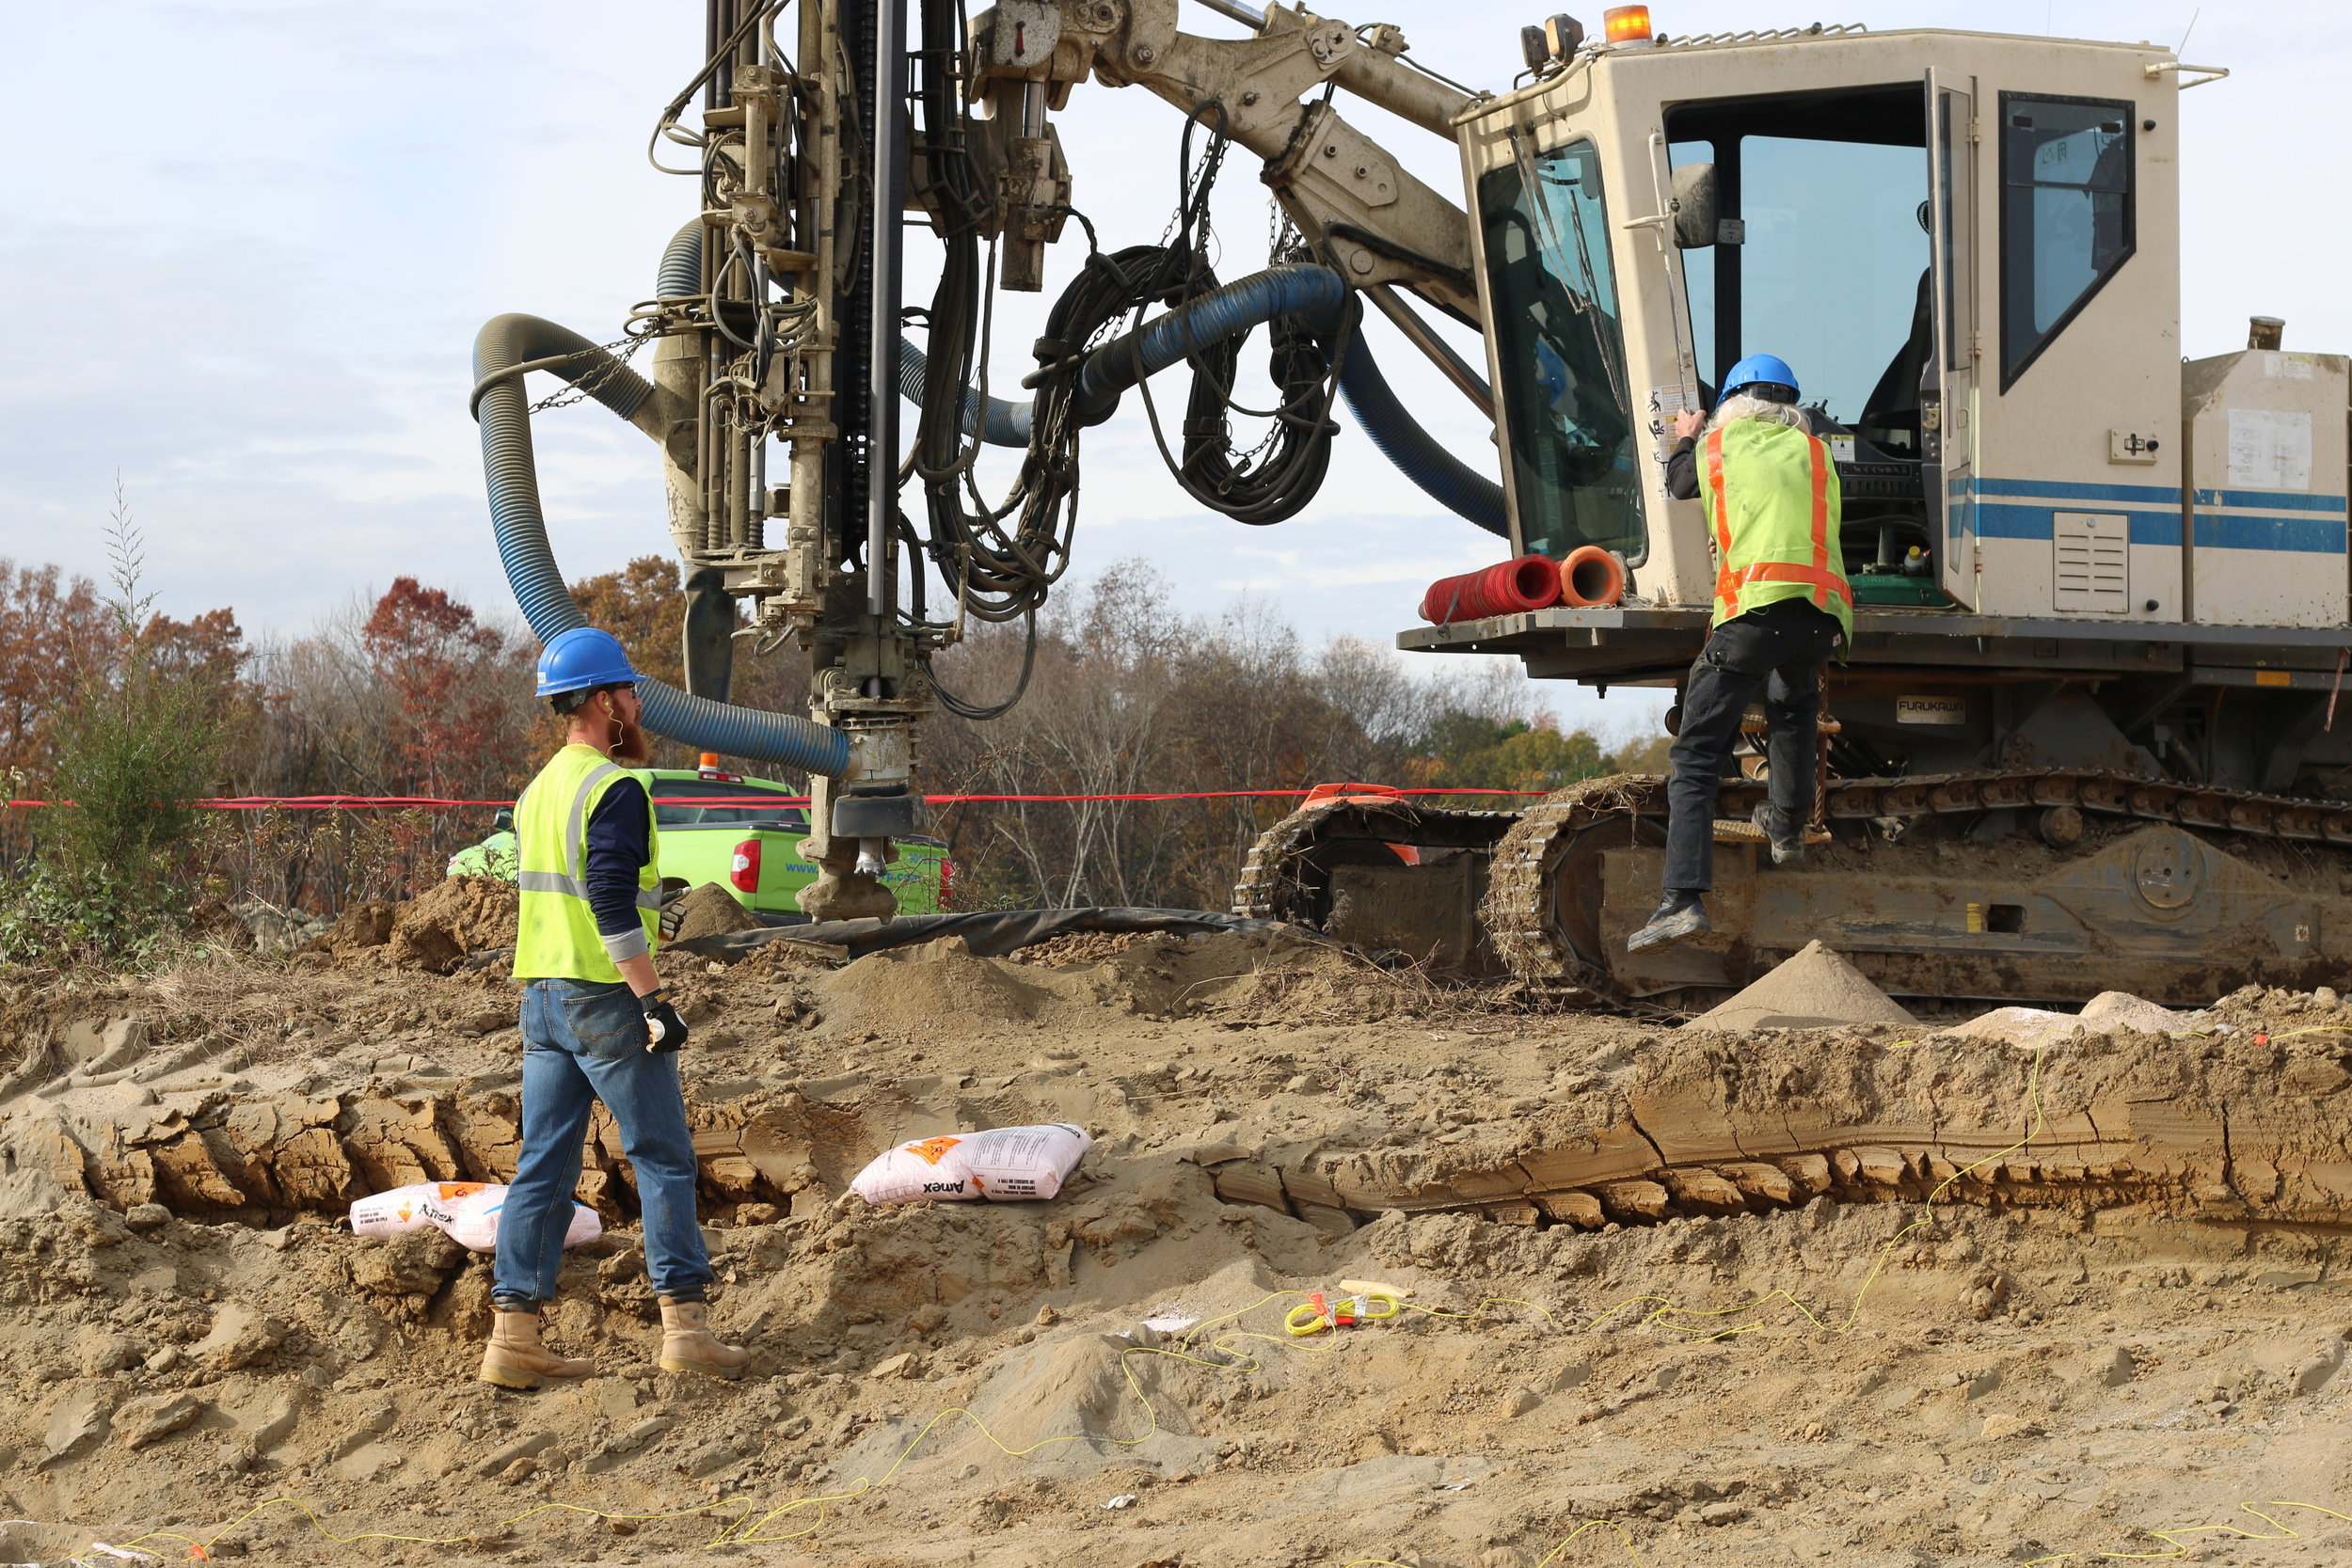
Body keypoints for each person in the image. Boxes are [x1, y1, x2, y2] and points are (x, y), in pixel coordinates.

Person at [479, 626, 749, 1388]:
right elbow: (606, 900)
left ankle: (514, 1337)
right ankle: (685, 1329)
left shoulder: (540, 789)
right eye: (629, 692)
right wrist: (653, 999)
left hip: (542, 998)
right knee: (663, 1157)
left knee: (542, 1168)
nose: (638, 703)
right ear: (604, 703)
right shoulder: (613, 787)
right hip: (604, 998)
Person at [1629, 356, 1852, 954]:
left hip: (1752, 613)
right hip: (1820, 617)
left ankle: (1680, 899)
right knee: (1793, 707)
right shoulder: (1819, 455)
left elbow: (1677, 485)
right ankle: (1785, 824)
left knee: (1698, 754)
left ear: (1731, 405)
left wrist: (1687, 436)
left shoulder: (1720, 443)